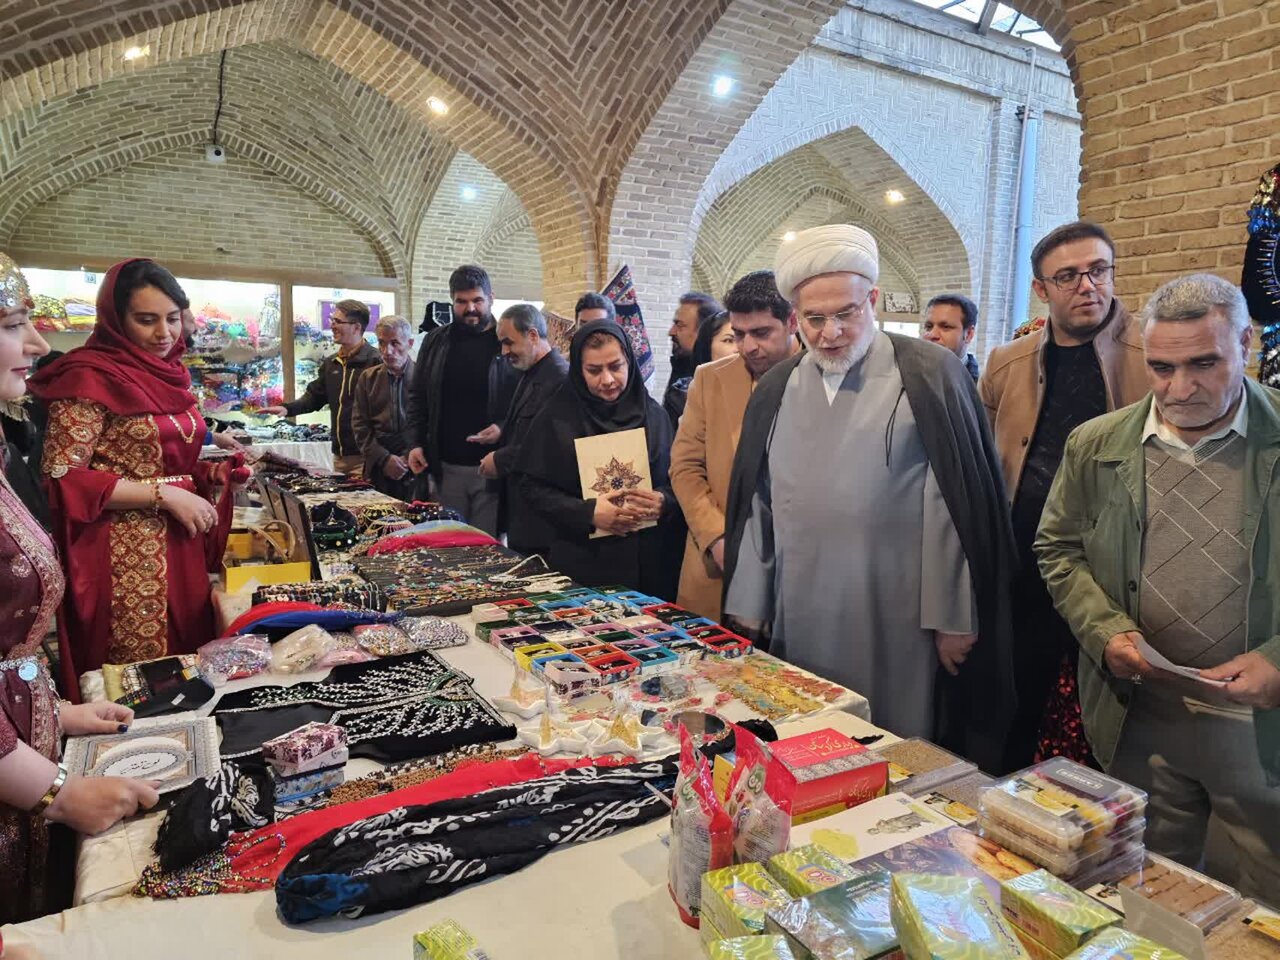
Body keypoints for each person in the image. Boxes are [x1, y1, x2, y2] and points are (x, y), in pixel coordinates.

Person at [722, 225, 1017, 771]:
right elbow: (759, 503)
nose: (831, 332)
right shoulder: (777, 388)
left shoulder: (929, 374)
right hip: (800, 606)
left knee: (892, 749)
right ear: (795, 317)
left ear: (873, 300)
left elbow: (952, 508)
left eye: (846, 313)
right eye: (814, 318)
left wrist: (954, 617)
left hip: (897, 612)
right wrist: (750, 602)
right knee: (807, 739)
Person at [1036, 274, 1280, 898]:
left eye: (1204, 364)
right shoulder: (1097, 444)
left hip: (1261, 722)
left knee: (1265, 891)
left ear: (1245, 344)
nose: (1179, 389)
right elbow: (1058, 549)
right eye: (1162, 368)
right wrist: (1105, 630)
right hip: (1138, 711)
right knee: (1149, 882)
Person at [0, 257, 161, 925]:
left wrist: (54, 712)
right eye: (12, 325)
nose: (38, 343)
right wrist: (57, 793)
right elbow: (68, 476)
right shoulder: (88, 383)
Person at [29, 259, 245, 696]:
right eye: (146, 320)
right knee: (137, 683)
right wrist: (163, 496)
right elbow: (62, 474)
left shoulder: (172, 374)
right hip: (121, 554)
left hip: (179, 542)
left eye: (172, 319)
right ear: (115, 319)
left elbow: (168, 459)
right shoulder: (89, 377)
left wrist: (215, 475)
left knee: (187, 667)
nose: (164, 333)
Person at [979, 221, 1147, 770]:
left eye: (1099, 271)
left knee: (1098, 714)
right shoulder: (1006, 363)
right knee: (1018, 699)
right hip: (1023, 563)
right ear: (1040, 288)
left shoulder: (1151, 354)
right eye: (1068, 276)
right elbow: (982, 465)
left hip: (1111, 571)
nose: (1088, 286)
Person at [515, 320, 681, 598]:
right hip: (584, 563)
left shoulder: (655, 416)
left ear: (629, 363)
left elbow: (679, 479)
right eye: (594, 370)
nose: (607, 380)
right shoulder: (557, 418)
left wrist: (664, 501)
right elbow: (531, 488)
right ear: (579, 371)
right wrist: (587, 512)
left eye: (616, 366)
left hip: (651, 565)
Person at [671, 271, 799, 620]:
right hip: (720, 560)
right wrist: (715, 536)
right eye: (739, 334)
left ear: (792, 321)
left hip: (795, 567)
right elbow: (684, 466)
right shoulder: (710, 378)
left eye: (761, 333)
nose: (747, 347)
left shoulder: (819, 378)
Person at [406, 265, 519, 535]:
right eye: (462, 302)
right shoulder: (435, 341)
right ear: (452, 301)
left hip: (492, 469)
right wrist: (414, 443)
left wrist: (503, 427)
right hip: (445, 468)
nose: (470, 309)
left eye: (477, 300)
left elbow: (525, 399)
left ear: (491, 298)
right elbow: (417, 397)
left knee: (486, 548)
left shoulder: (507, 341)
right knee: (450, 545)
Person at [479, 303, 568, 556]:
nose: (504, 351)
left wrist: (500, 459)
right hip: (524, 513)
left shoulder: (559, 378)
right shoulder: (532, 372)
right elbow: (529, 427)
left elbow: (549, 445)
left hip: (542, 520)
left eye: (509, 342)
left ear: (532, 335)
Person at [260, 299, 381, 476]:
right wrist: (287, 409)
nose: (332, 325)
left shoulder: (375, 362)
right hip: (339, 457)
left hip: (367, 457)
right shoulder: (332, 363)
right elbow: (314, 397)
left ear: (356, 327)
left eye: (338, 321)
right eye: (332, 320)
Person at [352, 315, 417, 501]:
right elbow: (360, 425)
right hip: (378, 464)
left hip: (416, 461)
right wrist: (384, 459)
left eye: (395, 343)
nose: (387, 351)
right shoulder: (368, 378)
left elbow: (433, 424)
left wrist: (408, 457)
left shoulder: (424, 378)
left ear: (409, 343)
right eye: (382, 343)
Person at [663, 292, 723, 428]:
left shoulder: (709, 383)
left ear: (703, 331)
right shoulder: (680, 366)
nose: (671, 332)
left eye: (680, 325)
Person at [921, 293, 980, 381]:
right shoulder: (906, 377)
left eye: (946, 327)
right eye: (929, 327)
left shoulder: (981, 387)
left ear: (968, 334)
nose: (932, 335)